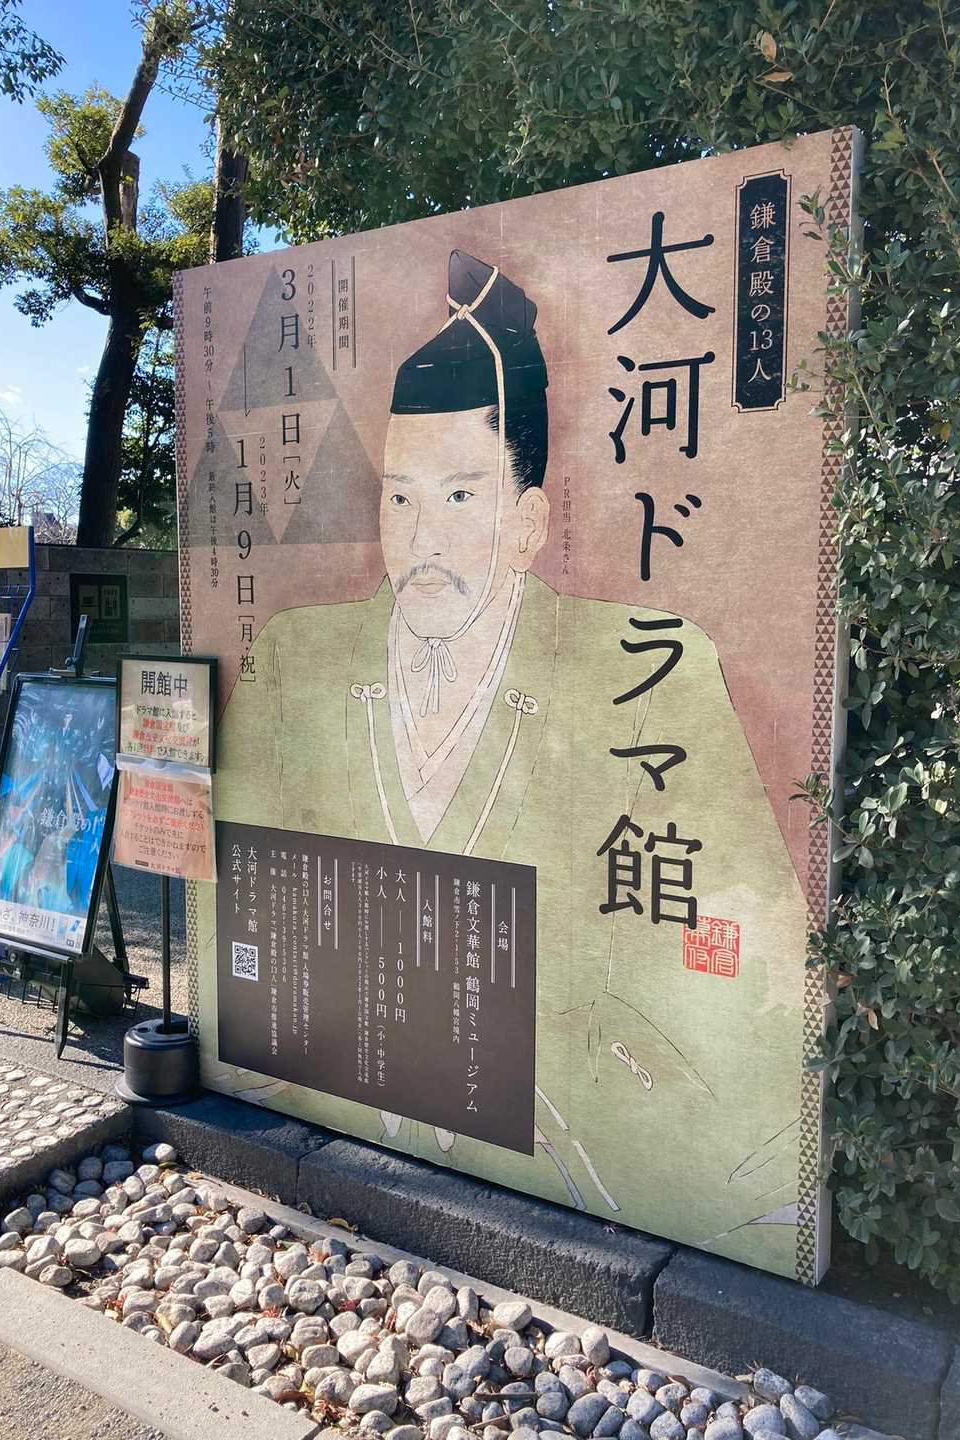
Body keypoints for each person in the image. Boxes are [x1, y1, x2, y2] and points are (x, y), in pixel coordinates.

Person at [211, 250, 811, 1275]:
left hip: (580, 1173)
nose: (422, 540)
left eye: (461, 496)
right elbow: (243, 910)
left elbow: (752, 978)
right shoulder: (299, 660)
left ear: (530, 521)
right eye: (400, 500)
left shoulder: (647, 670)